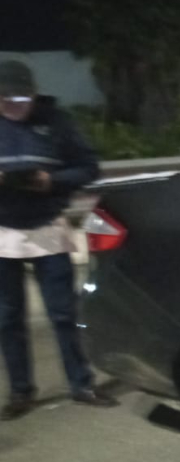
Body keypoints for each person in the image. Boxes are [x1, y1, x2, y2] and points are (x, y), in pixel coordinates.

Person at [0, 60, 114, 420]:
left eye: (21, 99)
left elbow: (88, 167)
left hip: (47, 224)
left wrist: (52, 182)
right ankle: (21, 392)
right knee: (7, 316)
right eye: (5, 100)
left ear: (34, 93)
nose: (14, 107)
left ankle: (81, 383)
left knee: (62, 312)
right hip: (2, 230)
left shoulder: (57, 123)